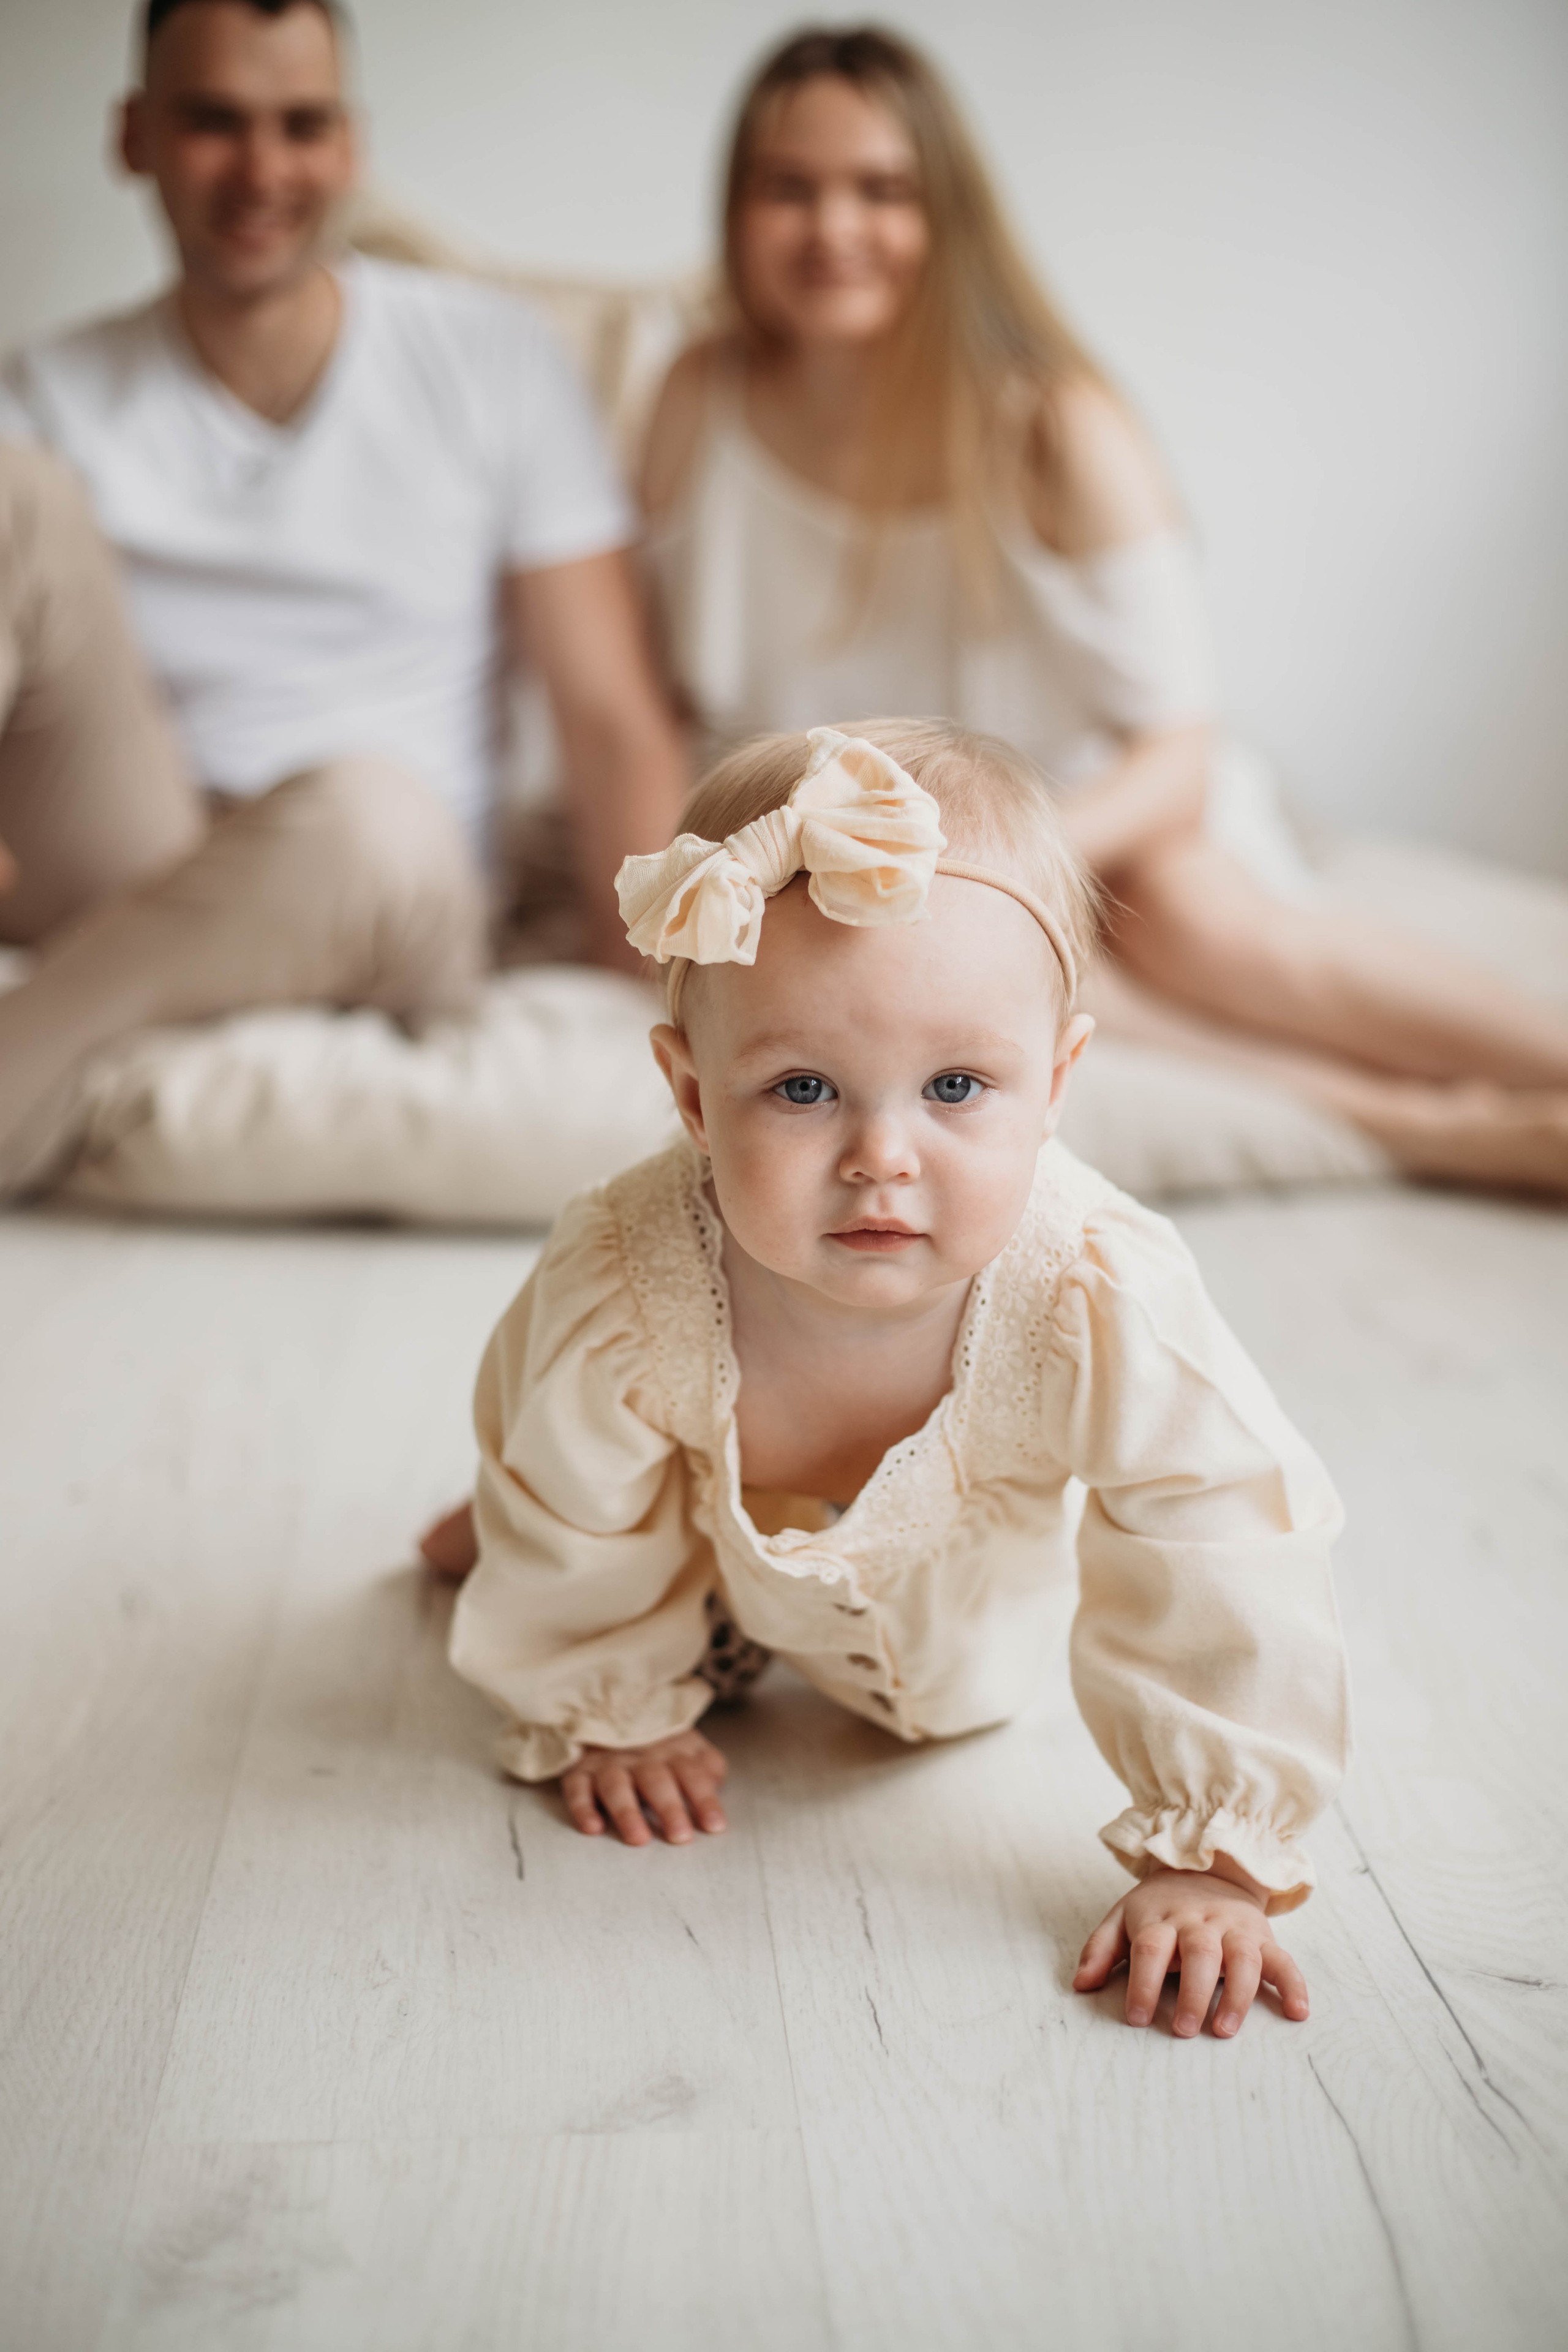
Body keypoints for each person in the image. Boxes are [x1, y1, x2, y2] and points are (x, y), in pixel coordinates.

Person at [443, 719, 1349, 2039]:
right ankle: (535, 1540)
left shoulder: (1095, 1293)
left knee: (1030, 1626)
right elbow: (560, 1479)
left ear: (1055, 1085)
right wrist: (605, 1697)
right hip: (700, 1562)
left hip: (971, 1624)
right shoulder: (626, 1285)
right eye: (802, 1087)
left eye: (956, 1086)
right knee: (564, 1480)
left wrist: (1210, 1849)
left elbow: (1225, 1538)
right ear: (692, 1097)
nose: (882, 1154)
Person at [636, 24, 1568, 1196]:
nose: (833, 230)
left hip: (1100, 814)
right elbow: (654, 690)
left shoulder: (1053, 427)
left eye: (881, 191)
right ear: (738, 211)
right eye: (790, 190)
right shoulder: (692, 397)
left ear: (948, 216)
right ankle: (1434, 1127)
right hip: (858, 850)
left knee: (1196, 925)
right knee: (1057, 988)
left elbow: (1183, 748)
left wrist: (1008, 858)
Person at [0, 0, 685, 1191]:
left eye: (300, 124)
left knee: (367, 816)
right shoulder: (50, 388)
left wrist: (653, 1009)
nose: (262, 169)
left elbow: (610, 716)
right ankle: (97, 1021)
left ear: (350, 148)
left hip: (388, 887)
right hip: (148, 854)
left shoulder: (493, 359)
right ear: (134, 136)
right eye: (214, 122)